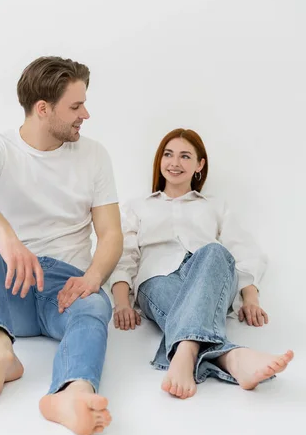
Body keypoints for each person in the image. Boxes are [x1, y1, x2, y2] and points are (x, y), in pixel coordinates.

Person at [0, 56, 123, 435]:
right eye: (75, 106)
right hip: (11, 285)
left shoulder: (94, 156)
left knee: (94, 305)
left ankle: (71, 392)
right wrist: (7, 237)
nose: (85, 114)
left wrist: (92, 278)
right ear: (43, 109)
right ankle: (0, 351)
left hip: (67, 287)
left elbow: (110, 234)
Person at [111, 128, 294, 399]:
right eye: (168, 155)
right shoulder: (137, 206)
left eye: (185, 156)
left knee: (214, 252)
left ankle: (184, 351)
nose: (175, 163)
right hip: (158, 278)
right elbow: (123, 255)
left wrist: (251, 298)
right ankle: (233, 358)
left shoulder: (215, 206)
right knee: (176, 287)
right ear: (160, 160)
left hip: (210, 276)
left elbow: (245, 251)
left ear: (199, 165)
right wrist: (122, 302)